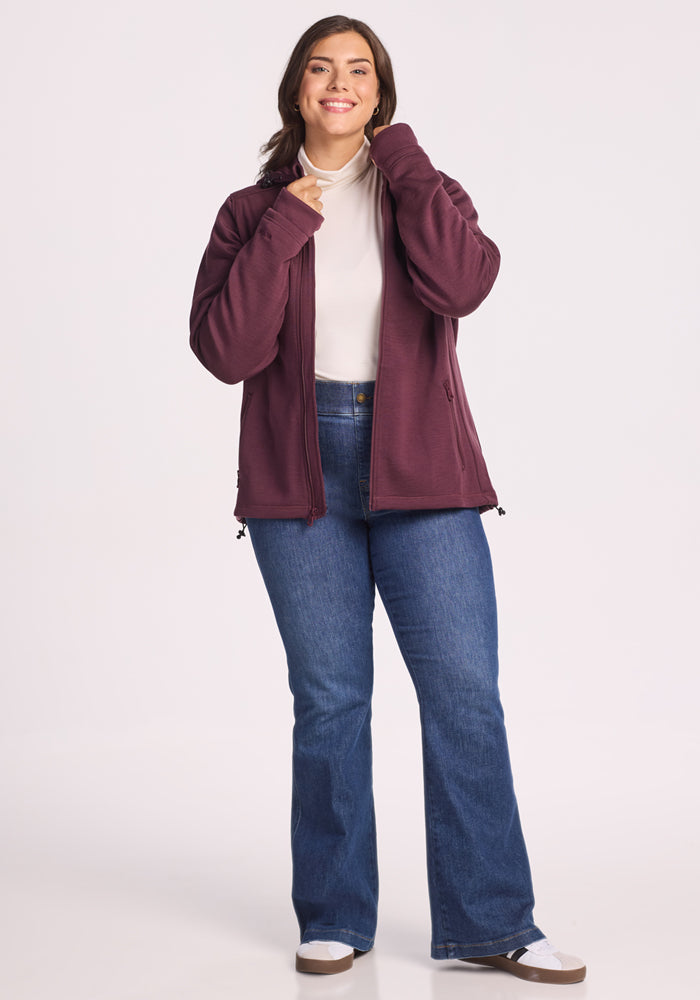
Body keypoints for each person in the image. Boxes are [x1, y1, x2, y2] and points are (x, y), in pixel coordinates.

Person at [189, 14, 585, 984]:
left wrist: (398, 158)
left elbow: (463, 281)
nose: (338, 82)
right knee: (329, 699)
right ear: (295, 89)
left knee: (462, 691)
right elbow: (226, 350)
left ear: (380, 91)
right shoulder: (252, 211)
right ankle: (332, 913)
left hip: (422, 465)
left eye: (357, 70)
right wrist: (296, 208)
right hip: (296, 465)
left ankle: (493, 919)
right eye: (321, 68)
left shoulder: (419, 189)